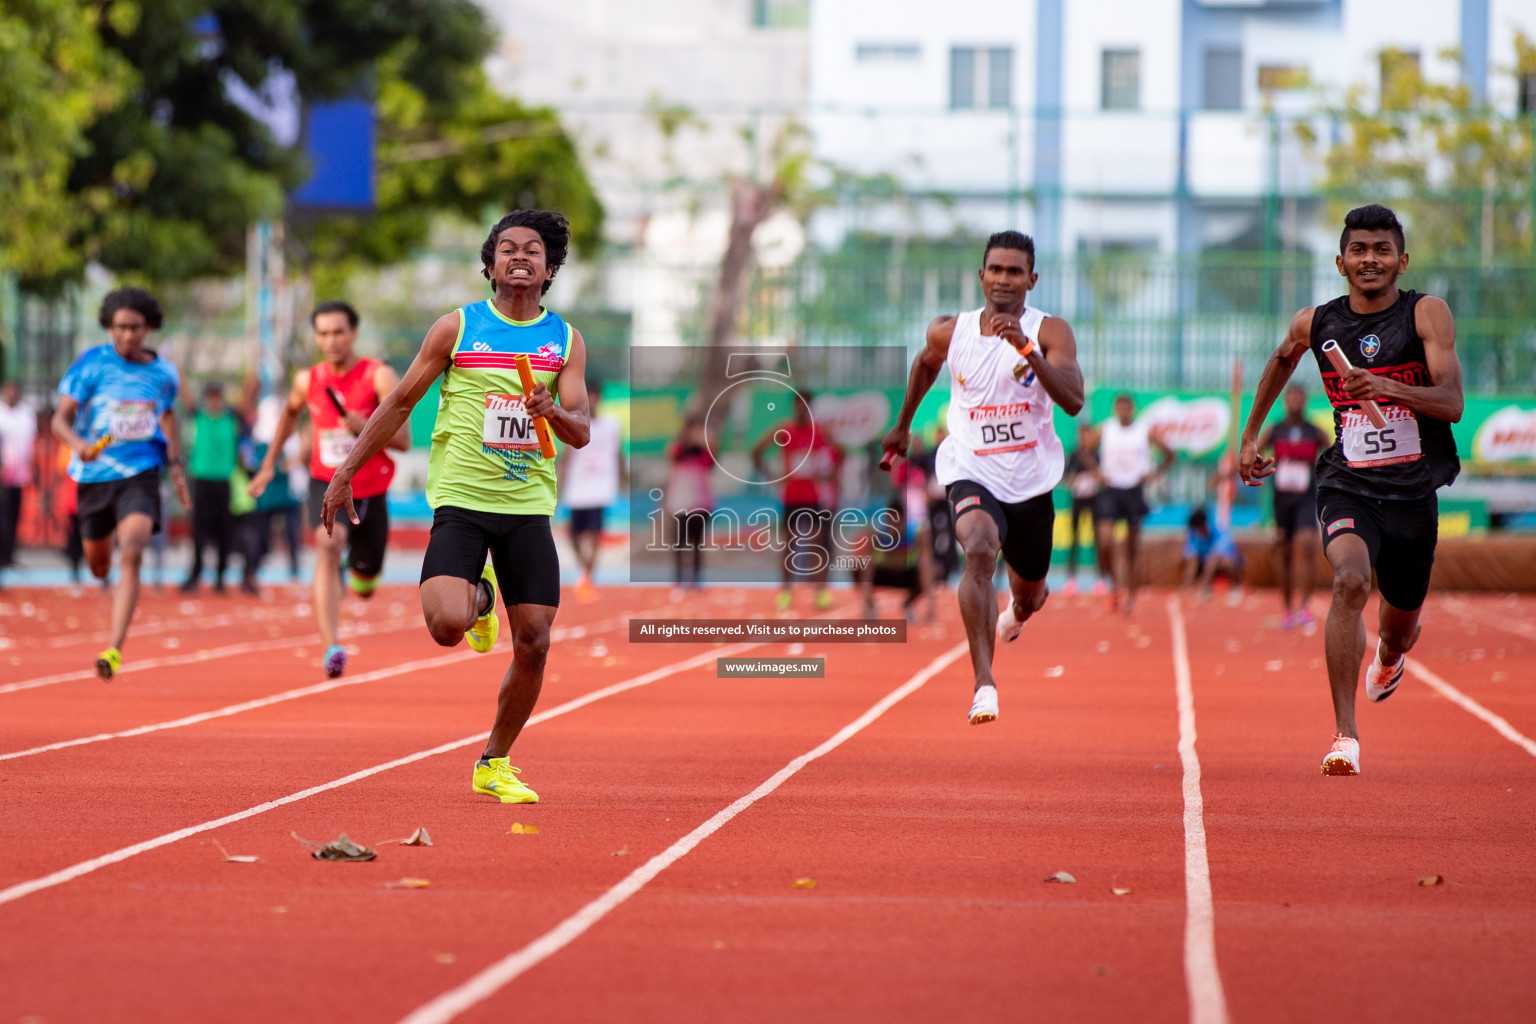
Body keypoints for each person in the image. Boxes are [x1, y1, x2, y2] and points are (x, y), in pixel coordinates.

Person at [321, 209, 591, 805]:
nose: (521, 256)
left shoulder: (564, 341)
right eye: (508, 249)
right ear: (491, 264)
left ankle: (494, 761)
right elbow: (397, 404)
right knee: (447, 626)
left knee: (535, 642)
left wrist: (554, 413)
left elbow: (581, 431)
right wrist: (345, 473)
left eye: (534, 251)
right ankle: (482, 595)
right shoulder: (458, 329)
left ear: (548, 271)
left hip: (526, 509)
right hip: (463, 503)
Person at [1239, 204, 1462, 777]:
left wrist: (1385, 386)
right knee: (1349, 581)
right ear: (1340, 262)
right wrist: (1248, 436)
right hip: (1349, 485)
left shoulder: (1426, 315)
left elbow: (1452, 403)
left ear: (1401, 260)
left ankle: (1389, 658)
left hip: (1414, 493)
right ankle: (1345, 736)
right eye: (1359, 250)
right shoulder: (1316, 323)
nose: (1370, 259)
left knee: (1400, 629)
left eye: (1381, 250)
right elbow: (1281, 359)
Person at [880, 230, 1085, 725]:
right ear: (981, 276)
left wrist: (1028, 350)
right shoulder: (952, 332)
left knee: (1030, 595)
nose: (1004, 280)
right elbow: (925, 364)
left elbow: (1074, 401)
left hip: (1031, 481)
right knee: (976, 548)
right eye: (995, 270)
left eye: (1015, 272)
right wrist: (903, 425)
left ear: (1031, 280)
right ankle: (983, 684)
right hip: (970, 468)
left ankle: (1020, 608)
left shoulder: (1051, 331)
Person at [248, 301, 410, 677]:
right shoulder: (308, 380)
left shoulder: (378, 376)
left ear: (353, 333)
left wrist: (368, 425)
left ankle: (358, 573)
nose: (331, 340)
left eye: (338, 332)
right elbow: (290, 412)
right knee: (327, 545)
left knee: (365, 585)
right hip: (326, 483)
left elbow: (403, 440)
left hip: (370, 491)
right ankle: (331, 646)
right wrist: (270, 463)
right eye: (323, 333)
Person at [51, 287, 191, 678]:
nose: (128, 336)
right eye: (120, 328)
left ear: (148, 327)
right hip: (95, 477)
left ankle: (113, 648)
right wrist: (79, 444)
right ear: (109, 328)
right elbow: (59, 419)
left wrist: (176, 468)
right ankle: (101, 566)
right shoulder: (90, 365)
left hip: (141, 474)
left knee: (132, 549)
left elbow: (167, 418)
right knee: (99, 566)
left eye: (135, 328)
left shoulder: (164, 374)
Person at [1082, 393, 1174, 613]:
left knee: (1131, 549)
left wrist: (1153, 474)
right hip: (1112, 490)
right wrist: (1096, 473)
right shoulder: (1106, 429)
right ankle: (1115, 584)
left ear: (1132, 408)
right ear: (1115, 408)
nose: (1124, 410)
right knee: (1104, 541)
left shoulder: (1144, 431)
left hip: (1134, 490)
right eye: (1120, 406)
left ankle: (1130, 593)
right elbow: (1085, 451)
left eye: (1127, 406)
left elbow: (1170, 454)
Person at [752, 391, 843, 612]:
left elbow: (841, 453)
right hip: (791, 496)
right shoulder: (785, 430)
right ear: (795, 406)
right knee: (790, 546)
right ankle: (785, 591)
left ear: (810, 407)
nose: (802, 409)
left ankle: (820, 592)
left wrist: (829, 474)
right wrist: (770, 475)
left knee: (816, 545)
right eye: (799, 405)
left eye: (806, 405)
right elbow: (756, 451)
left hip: (812, 496)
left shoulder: (818, 431)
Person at [1256, 384, 1328, 629]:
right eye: (1291, 396)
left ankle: (1306, 607)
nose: (1296, 400)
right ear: (1285, 401)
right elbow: (1254, 454)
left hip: (1307, 498)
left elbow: (1332, 457)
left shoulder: (1315, 432)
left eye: (1300, 396)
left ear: (1305, 400)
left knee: (1307, 545)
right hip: (1281, 499)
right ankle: (1287, 609)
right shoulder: (1275, 431)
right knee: (1285, 553)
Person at [559, 378, 621, 602]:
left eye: (595, 396)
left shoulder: (612, 425)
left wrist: (622, 480)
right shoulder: (575, 422)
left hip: (601, 487)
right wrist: (562, 484)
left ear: (600, 398)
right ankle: (585, 570)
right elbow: (567, 456)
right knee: (573, 535)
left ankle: (588, 578)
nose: (592, 400)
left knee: (594, 535)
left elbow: (618, 454)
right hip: (578, 488)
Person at [182, 381, 241, 593]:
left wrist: (258, 363)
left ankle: (220, 577)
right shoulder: (197, 416)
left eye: (217, 396)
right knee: (198, 530)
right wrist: (176, 364)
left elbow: (250, 394)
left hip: (223, 480)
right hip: (201, 479)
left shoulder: (231, 418)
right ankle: (195, 573)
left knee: (224, 530)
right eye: (211, 397)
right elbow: (185, 392)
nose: (214, 401)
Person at [665, 413, 713, 589]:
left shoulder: (703, 453)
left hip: (700, 504)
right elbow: (670, 454)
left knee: (697, 542)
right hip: (679, 503)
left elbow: (712, 461)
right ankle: (679, 576)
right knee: (679, 542)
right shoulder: (679, 450)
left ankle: (696, 577)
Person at [0, 381, 37, 572]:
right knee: (3, 517)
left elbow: (31, 443)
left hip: (20, 475)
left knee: (14, 516)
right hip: (2, 476)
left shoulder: (26, 414)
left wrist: (33, 468)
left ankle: (10, 555)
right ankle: (3, 555)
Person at [1060, 422, 1100, 594]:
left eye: (1088, 435)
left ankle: (1100, 578)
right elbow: (1065, 477)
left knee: (1097, 539)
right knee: (1074, 539)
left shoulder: (1097, 455)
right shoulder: (1074, 455)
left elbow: (1102, 476)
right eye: (1082, 435)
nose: (1085, 438)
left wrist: (1092, 475)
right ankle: (1071, 578)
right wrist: (1074, 480)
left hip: (1094, 499)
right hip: (1077, 499)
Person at [1181, 507, 1245, 602]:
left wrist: (1211, 557)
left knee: (1215, 559)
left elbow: (1224, 551)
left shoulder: (1219, 530)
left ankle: (1234, 588)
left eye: (1199, 528)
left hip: (1224, 563)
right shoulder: (1194, 534)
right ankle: (1188, 588)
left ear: (1204, 524)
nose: (1198, 531)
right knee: (1193, 561)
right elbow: (1188, 552)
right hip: (1204, 565)